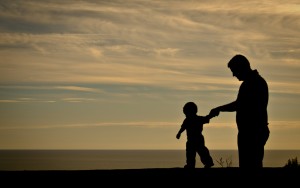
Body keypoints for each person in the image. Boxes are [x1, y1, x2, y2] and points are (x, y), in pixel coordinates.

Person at [209, 54, 270, 169]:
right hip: (250, 132)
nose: (233, 75)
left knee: (250, 166)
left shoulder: (253, 83)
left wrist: (219, 109)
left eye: (234, 70)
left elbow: (240, 104)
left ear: (241, 68)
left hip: (252, 133)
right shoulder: (252, 82)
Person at [176, 101, 214, 168]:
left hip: (196, 139)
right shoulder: (190, 120)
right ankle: (192, 164)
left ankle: (207, 162)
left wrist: (179, 133)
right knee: (192, 152)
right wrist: (179, 133)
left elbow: (183, 128)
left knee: (200, 151)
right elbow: (183, 127)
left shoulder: (190, 119)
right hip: (193, 139)